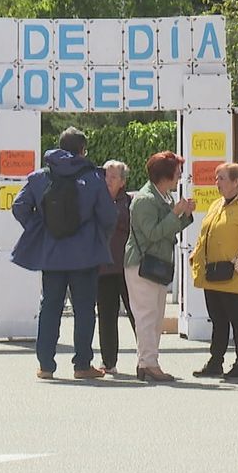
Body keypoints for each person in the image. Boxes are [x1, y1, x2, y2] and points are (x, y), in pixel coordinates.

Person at [12, 127, 117, 381]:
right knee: (84, 310)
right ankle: (82, 365)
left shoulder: (39, 177)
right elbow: (109, 216)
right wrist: (97, 237)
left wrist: (40, 228)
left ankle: (45, 365)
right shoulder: (93, 178)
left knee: (50, 307)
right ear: (82, 150)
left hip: (52, 253)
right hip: (85, 255)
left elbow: (19, 206)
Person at [124, 152, 195, 382]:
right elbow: (153, 233)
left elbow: (167, 229)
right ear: (165, 174)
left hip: (156, 264)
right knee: (146, 316)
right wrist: (176, 214)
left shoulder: (163, 196)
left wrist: (185, 215)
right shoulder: (145, 199)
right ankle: (148, 364)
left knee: (155, 318)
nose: (179, 176)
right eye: (177, 172)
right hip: (142, 264)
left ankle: (147, 362)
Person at [190, 163, 238, 379]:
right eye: (216, 178)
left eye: (221, 178)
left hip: (231, 273)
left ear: (236, 182)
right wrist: (196, 256)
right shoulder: (217, 204)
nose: (216, 183)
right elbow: (205, 233)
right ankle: (216, 361)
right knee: (218, 319)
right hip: (211, 273)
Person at [97, 160, 137, 374]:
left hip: (127, 267)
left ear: (122, 182)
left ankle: (146, 358)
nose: (107, 180)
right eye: (105, 175)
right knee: (106, 315)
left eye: (113, 177)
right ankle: (108, 361)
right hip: (103, 267)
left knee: (136, 313)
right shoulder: (95, 201)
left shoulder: (130, 203)